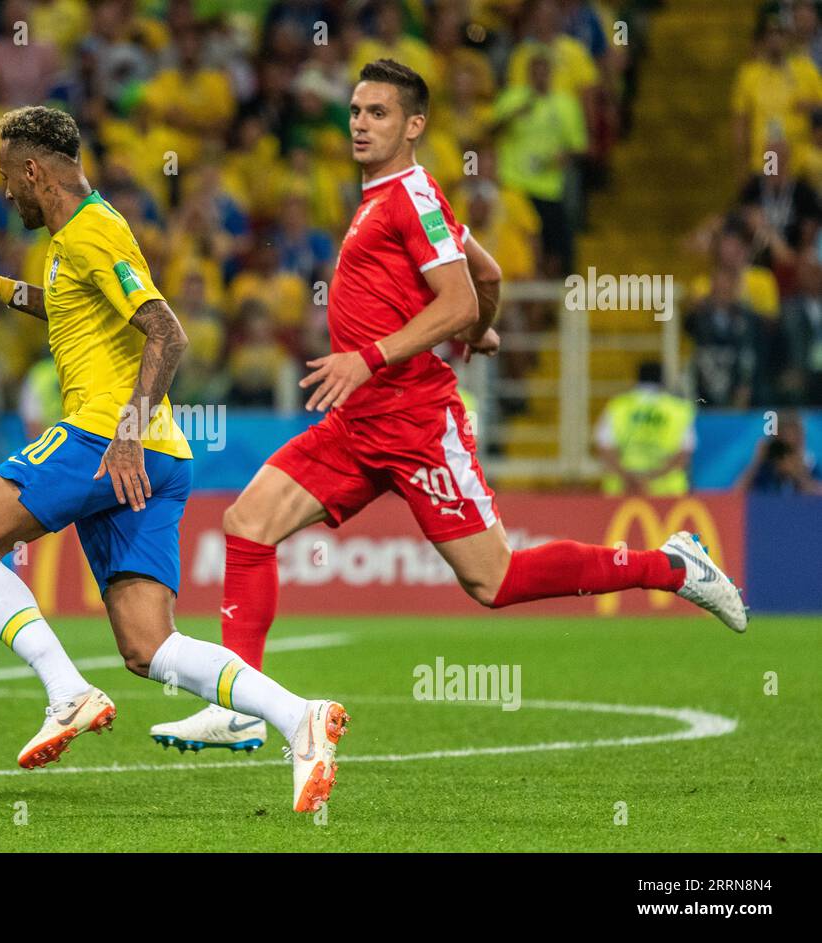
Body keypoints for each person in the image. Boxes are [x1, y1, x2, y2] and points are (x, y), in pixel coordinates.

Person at [151, 58, 746, 754]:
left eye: (378, 112)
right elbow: (483, 279)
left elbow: (462, 294)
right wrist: (472, 329)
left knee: (495, 580)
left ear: (414, 124)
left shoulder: (412, 197)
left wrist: (384, 350)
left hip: (414, 422)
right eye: (355, 111)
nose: (361, 123)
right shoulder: (390, 195)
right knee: (247, 523)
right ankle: (247, 701)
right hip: (358, 421)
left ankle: (672, 567)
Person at [0, 106, 346, 813]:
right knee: (150, 648)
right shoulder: (69, 240)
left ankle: (66, 691)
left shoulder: (93, 230)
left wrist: (124, 427)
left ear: (35, 171)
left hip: (104, 439)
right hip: (157, 455)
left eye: (6, 177)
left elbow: (167, 330)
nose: (3, 193)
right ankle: (298, 716)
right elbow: (67, 308)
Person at [595, 361, 696, 497]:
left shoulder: (618, 406)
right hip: (667, 494)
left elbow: (605, 449)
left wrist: (631, 479)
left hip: (623, 492)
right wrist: (651, 479)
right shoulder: (678, 409)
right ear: (663, 380)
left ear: (637, 379)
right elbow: (683, 454)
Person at [736, 411, 822, 495]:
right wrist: (757, 462)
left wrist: (799, 475)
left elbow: (817, 497)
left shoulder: (809, 464)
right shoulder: (765, 468)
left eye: (794, 435)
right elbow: (736, 494)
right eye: (783, 435)